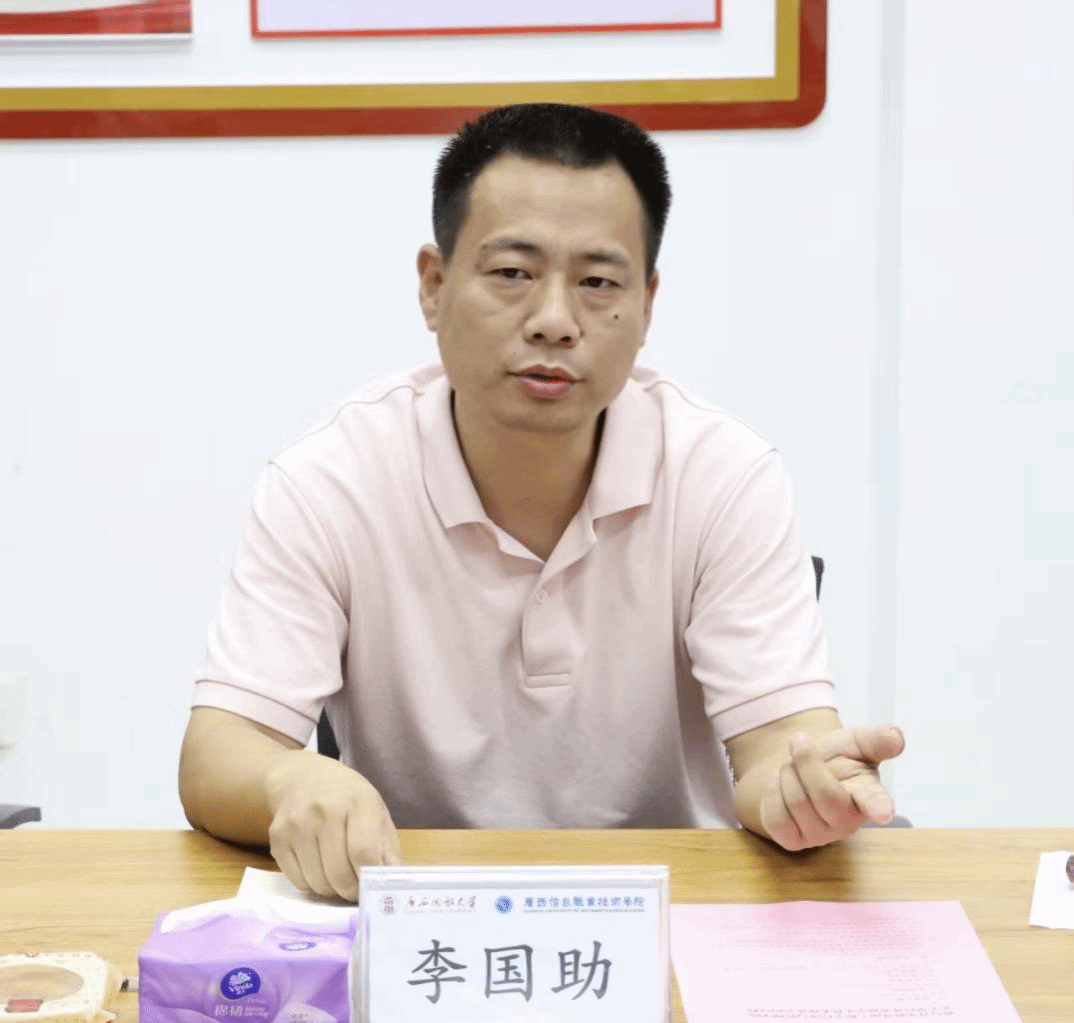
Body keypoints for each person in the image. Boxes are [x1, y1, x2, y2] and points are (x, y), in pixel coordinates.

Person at [178, 103, 904, 901]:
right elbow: (218, 751)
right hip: (413, 911)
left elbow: (778, 751)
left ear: (647, 304)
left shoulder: (723, 475)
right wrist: (289, 778)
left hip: (665, 913)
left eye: (597, 283)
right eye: (513, 274)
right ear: (434, 285)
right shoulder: (331, 480)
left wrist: (804, 789)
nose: (555, 322)